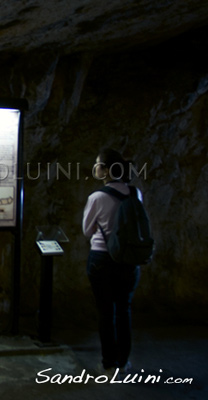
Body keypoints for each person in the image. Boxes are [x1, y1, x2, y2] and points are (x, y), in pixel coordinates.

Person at [82, 148, 141, 374]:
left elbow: (87, 231)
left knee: (105, 312)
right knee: (124, 310)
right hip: (128, 259)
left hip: (102, 258)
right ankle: (124, 361)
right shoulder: (136, 194)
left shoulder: (96, 197)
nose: (95, 167)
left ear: (105, 170)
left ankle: (108, 363)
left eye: (97, 164)